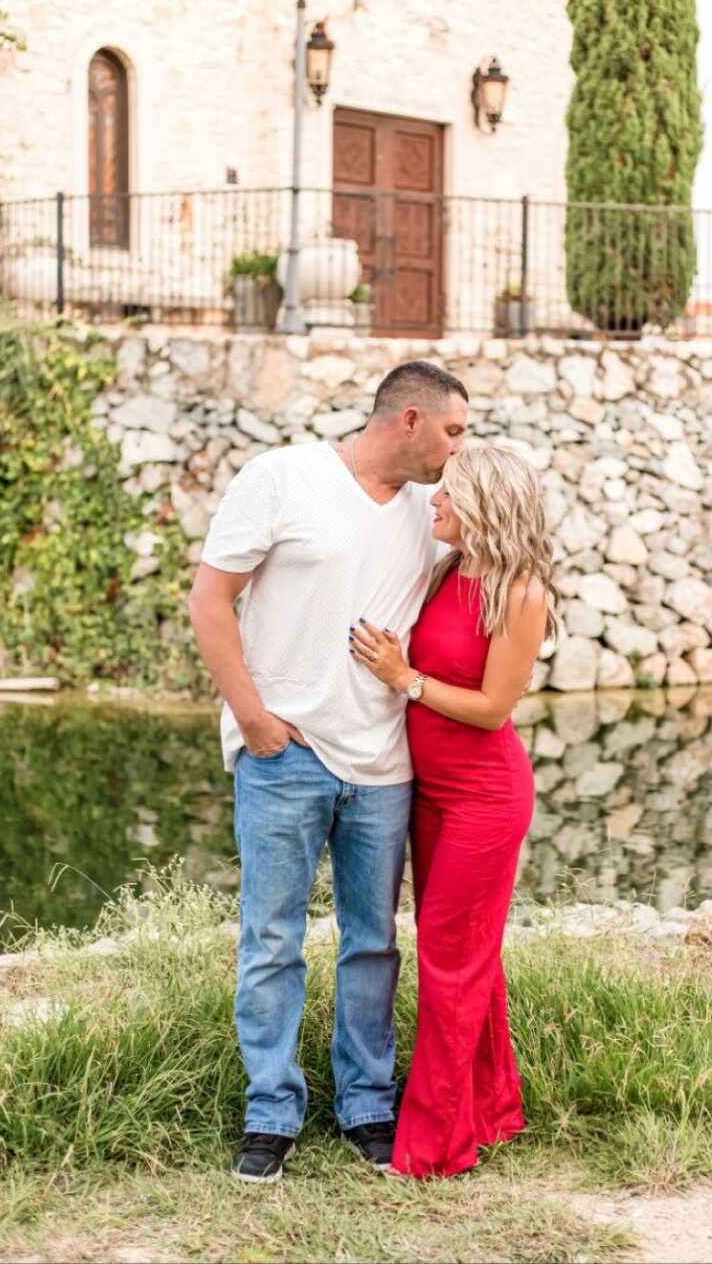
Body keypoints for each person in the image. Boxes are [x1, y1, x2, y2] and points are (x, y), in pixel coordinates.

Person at [188, 361, 469, 1182]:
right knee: (271, 939)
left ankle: (367, 1104)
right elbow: (211, 600)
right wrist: (252, 719)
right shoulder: (282, 478)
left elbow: (511, 553)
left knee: (373, 942)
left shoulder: (432, 512)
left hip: (385, 764)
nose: (462, 447)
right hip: (286, 756)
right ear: (410, 419)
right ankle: (270, 1110)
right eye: (455, 430)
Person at [349, 444, 559, 1178]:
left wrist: (405, 679)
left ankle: (434, 1147)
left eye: (447, 494)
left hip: (483, 798)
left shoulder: (521, 591)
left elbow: (494, 707)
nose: (432, 502)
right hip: (431, 795)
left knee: (449, 962)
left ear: (486, 505)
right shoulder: (448, 569)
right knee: (470, 959)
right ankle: (492, 1109)